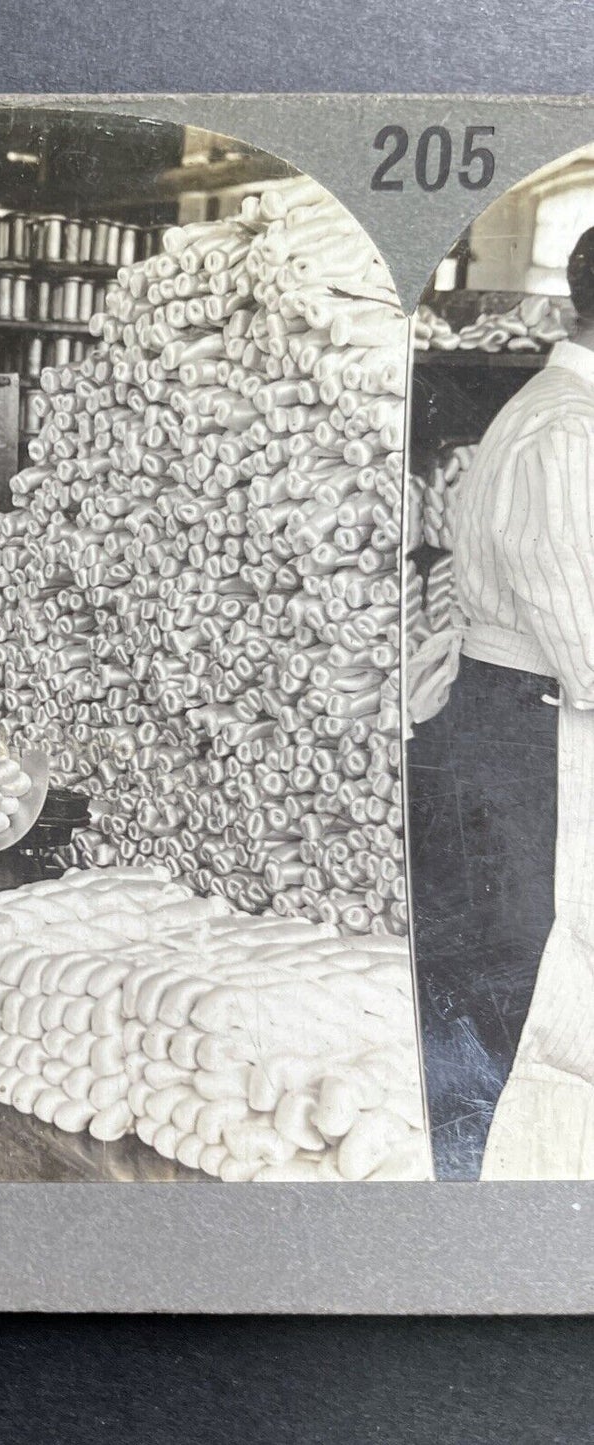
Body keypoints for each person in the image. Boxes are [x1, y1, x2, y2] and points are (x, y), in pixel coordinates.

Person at [409, 226, 594, 1179]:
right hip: (524, 730)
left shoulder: (566, 414)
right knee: (518, 990)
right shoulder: (564, 432)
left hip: (524, 716)